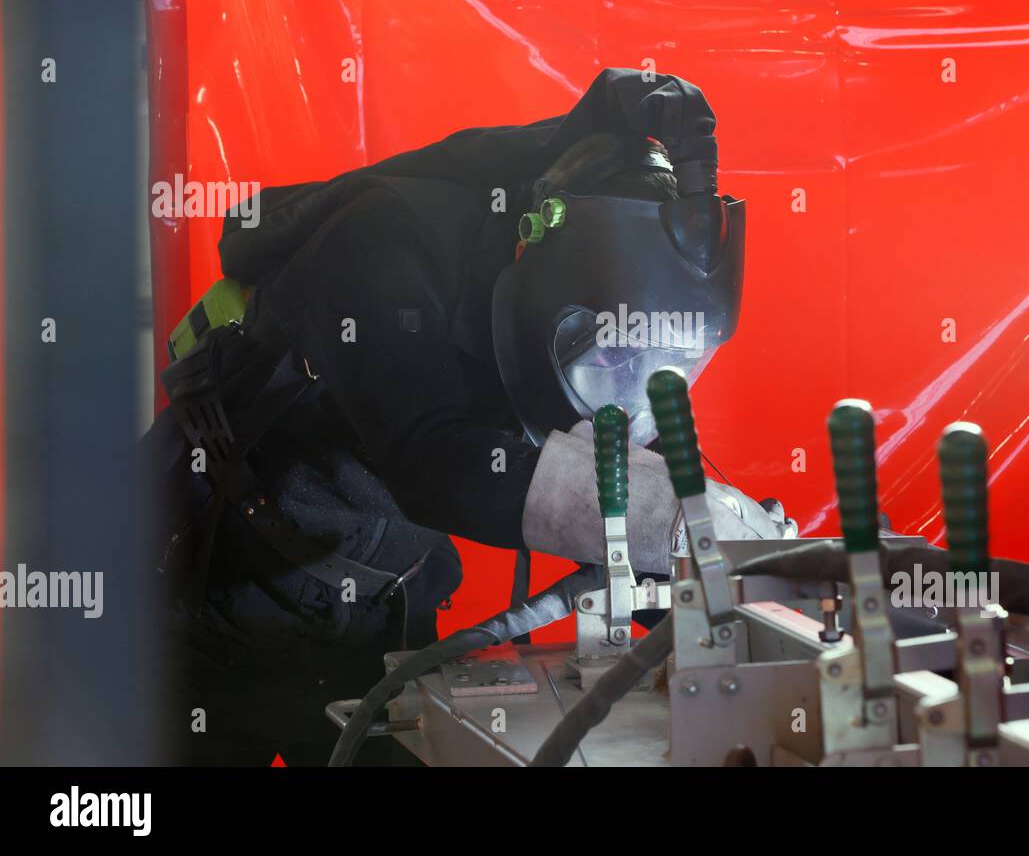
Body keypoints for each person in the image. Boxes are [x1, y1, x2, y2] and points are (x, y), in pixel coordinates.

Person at [147, 67, 794, 765]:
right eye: (608, 350)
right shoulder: (380, 244)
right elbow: (432, 458)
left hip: (384, 595)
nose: (621, 378)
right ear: (539, 253)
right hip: (213, 583)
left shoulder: (605, 314)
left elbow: (637, 462)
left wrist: (729, 557)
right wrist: (659, 521)